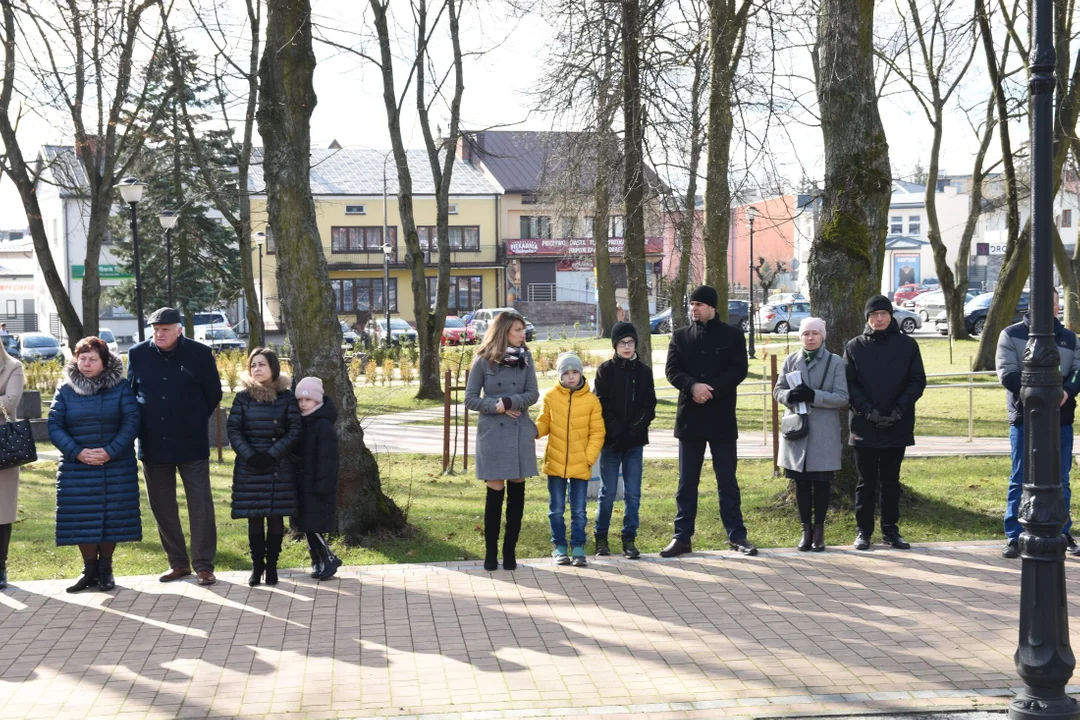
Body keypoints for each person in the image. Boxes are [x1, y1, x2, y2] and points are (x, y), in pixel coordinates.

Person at [128, 307, 223, 585]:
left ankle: (204, 564)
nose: (159, 333)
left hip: (191, 442)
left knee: (200, 505)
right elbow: (133, 392)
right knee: (163, 507)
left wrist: (191, 419)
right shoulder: (137, 353)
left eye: (165, 329)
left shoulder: (200, 354)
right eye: (156, 329)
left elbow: (213, 393)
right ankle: (178, 563)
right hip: (153, 443)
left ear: (179, 329)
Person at [662, 284, 757, 557]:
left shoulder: (733, 336)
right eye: (691, 304)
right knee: (686, 482)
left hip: (721, 417)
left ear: (713, 307)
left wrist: (710, 389)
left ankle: (737, 536)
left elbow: (738, 370)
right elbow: (672, 370)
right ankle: (682, 537)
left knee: (727, 480)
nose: (694, 309)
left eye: (699, 305)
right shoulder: (680, 337)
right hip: (690, 418)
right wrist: (693, 387)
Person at [49, 337, 141, 592]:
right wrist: (77, 452)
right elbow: (55, 426)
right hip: (76, 466)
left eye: (92, 359)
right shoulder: (65, 390)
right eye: (82, 358)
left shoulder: (121, 388)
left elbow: (131, 422)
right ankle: (88, 570)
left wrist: (110, 452)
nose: (86, 364)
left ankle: (106, 570)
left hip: (115, 465)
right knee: (81, 518)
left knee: (112, 517)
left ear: (104, 362)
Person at [996, 289, 1080, 558]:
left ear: (1058, 307)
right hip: (1025, 418)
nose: (1049, 309)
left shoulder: (1069, 338)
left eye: (1053, 304)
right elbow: (1008, 374)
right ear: (1031, 305)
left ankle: (1062, 531)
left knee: (1061, 478)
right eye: (1044, 303)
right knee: (1020, 477)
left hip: (1061, 418)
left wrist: (1065, 393)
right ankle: (1014, 535)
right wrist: (1038, 396)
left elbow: (1078, 371)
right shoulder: (1011, 335)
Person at [845, 295, 927, 551]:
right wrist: (868, 412)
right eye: (873, 315)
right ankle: (863, 531)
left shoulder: (907, 345)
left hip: (897, 422)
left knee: (891, 480)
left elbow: (917, 381)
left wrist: (898, 410)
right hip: (864, 424)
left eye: (883, 313)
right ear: (867, 318)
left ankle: (891, 530)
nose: (878, 319)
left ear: (891, 316)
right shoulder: (854, 346)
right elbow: (849, 384)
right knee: (865, 481)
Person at [464, 310, 539, 571]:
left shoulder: (526, 358)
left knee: (517, 490)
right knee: (495, 492)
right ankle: (490, 552)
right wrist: (496, 405)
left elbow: (533, 394)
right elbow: (470, 398)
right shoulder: (483, 360)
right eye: (517, 330)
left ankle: (510, 551)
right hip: (493, 434)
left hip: (519, 431)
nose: (522, 334)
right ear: (504, 331)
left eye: (523, 329)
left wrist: (511, 401)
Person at [228, 348, 302, 586]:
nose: (257, 369)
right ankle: (257, 565)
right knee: (255, 516)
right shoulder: (242, 398)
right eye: (253, 365)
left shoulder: (286, 397)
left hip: (277, 464)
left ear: (273, 368)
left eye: (262, 365)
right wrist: (250, 455)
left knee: (275, 516)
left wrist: (272, 454)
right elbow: (234, 430)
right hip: (250, 466)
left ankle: (272, 567)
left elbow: (294, 429)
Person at [774, 318, 849, 552]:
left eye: (815, 333)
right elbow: (777, 390)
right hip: (796, 429)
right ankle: (805, 531)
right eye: (806, 334)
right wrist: (789, 396)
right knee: (801, 483)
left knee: (822, 483)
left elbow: (842, 397)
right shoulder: (790, 360)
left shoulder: (835, 362)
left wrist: (814, 395)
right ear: (800, 337)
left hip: (823, 431)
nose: (811, 338)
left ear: (823, 336)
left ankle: (819, 532)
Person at [593, 321, 656, 559]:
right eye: (622, 343)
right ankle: (601, 537)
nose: (627, 347)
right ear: (615, 345)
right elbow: (602, 403)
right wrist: (617, 432)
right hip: (611, 442)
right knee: (607, 492)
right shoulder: (605, 370)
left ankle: (629, 538)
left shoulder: (644, 371)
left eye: (630, 342)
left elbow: (649, 406)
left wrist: (632, 432)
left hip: (635, 442)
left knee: (633, 493)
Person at [536, 352, 605, 567]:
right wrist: (531, 430)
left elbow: (597, 433)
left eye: (575, 372)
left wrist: (588, 459)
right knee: (556, 509)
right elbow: (543, 424)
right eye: (567, 373)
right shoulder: (550, 397)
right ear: (560, 375)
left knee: (578, 510)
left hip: (580, 464)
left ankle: (578, 547)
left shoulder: (591, 401)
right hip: (555, 462)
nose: (571, 376)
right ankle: (559, 546)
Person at [294, 376, 343, 580]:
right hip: (302, 484)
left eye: (309, 400)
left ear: (318, 401)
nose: (304, 404)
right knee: (306, 525)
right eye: (300, 401)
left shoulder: (323, 425)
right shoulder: (302, 423)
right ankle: (317, 560)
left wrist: (324, 484)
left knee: (312, 525)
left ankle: (329, 558)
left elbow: (329, 458)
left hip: (317, 485)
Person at [0, 340, 23, 589]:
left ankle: (0, 565)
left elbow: (10, 401)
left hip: (3, 447)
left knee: (2, 510)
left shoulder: (12, 366)